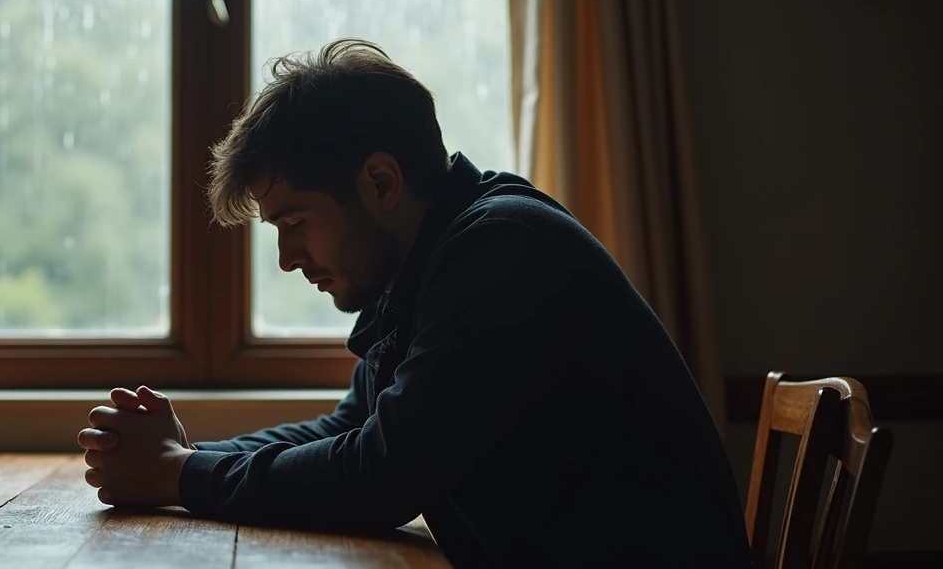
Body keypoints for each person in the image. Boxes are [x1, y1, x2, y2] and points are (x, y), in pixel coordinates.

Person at [77, 38, 753, 567]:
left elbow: (379, 476)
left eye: (294, 223)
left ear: (379, 180)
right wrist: (184, 456)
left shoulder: (500, 252)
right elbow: (347, 432)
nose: (286, 259)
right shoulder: (426, 267)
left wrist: (178, 472)